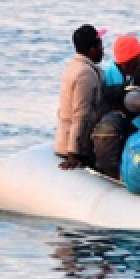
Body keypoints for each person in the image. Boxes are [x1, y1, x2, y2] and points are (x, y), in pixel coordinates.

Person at [56, 24, 106, 170]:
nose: (103, 50)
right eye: (100, 46)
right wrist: (73, 153)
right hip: (73, 147)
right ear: (92, 49)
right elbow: (81, 113)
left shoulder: (72, 66)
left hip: (64, 140)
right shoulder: (86, 74)